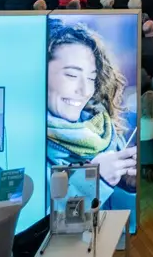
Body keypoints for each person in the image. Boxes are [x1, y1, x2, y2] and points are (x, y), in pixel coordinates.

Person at [46, 19, 137, 198]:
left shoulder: (102, 126)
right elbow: (29, 213)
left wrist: (127, 180)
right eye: (72, 75)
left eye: (91, 78)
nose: (85, 90)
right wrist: (96, 180)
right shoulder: (23, 143)